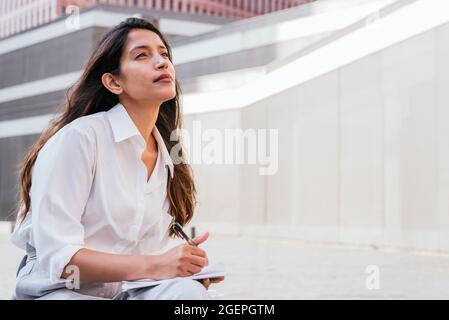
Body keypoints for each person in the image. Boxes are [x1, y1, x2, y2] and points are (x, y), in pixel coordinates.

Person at [10, 17, 224, 300]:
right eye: (142, 55)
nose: (161, 62)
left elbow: (147, 258)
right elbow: (61, 260)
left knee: (191, 296)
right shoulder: (80, 139)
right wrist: (158, 264)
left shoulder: (168, 158)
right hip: (60, 291)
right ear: (113, 82)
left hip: (127, 291)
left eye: (164, 54)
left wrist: (181, 269)